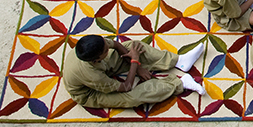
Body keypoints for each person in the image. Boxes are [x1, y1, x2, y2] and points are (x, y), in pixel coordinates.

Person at [63, 35, 206, 108]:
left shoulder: (96, 45)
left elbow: (116, 45)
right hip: (90, 93)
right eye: (106, 51)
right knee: (132, 98)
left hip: (102, 66)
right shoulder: (93, 75)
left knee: (133, 46)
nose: (108, 47)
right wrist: (134, 62)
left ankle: (180, 61)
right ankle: (180, 83)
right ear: (96, 59)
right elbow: (126, 87)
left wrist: (138, 67)